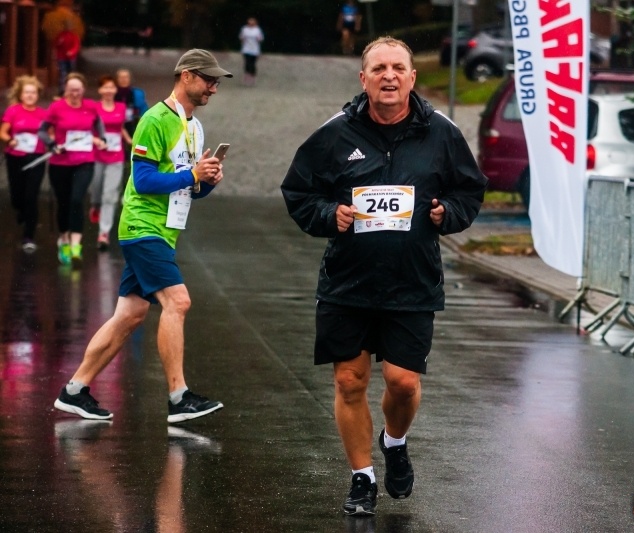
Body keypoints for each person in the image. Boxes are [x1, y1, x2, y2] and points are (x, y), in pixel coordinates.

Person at [281, 36, 487, 516]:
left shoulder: (441, 133)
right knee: (349, 381)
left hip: (412, 282)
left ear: (413, 78)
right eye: (378, 69)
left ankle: (394, 442)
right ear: (363, 79)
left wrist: (447, 213)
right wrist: (328, 215)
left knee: (403, 382)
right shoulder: (335, 134)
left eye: (397, 68)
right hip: (348, 282)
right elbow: (298, 191)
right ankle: (362, 478)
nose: (388, 76)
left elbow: (469, 191)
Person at [53, 49, 232, 424]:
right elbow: (145, 180)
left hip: (164, 231)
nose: (214, 88)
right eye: (209, 80)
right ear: (186, 76)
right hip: (142, 227)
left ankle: (74, 390)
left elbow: (188, 188)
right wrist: (193, 175)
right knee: (178, 302)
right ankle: (178, 397)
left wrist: (207, 181)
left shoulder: (195, 127)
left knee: (130, 315)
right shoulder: (154, 119)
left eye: (216, 82)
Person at [38, 72, 106, 267]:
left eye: (78, 90)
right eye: (71, 90)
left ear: (83, 90)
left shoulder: (91, 107)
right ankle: (64, 239)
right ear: (65, 90)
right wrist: (52, 145)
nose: (75, 94)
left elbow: (99, 124)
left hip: (84, 162)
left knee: (77, 200)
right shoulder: (56, 107)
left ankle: (76, 245)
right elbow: (42, 131)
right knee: (64, 203)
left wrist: (102, 139)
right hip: (60, 163)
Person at [0, 76, 49, 253]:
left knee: (31, 196)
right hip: (15, 157)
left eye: (33, 93)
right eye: (27, 92)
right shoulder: (13, 111)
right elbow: (3, 132)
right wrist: (10, 140)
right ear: (21, 95)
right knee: (17, 197)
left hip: (36, 158)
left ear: (37, 95)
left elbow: (50, 133)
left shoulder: (43, 114)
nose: (30, 95)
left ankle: (29, 236)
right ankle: (21, 211)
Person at [89, 75, 131, 251]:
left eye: (111, 87)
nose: (108, 90)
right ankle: (95, 205)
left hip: (116, 155)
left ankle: (104, 233)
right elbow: (87, 128)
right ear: (99, 90)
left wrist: (129, 140)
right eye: (105, 87)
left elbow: (119, 127)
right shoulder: (94, 108)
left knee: (110, 194)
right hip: (96, 154)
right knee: (97, 189)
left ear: (115, 90)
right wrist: (96, 140)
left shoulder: (121, 107)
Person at [114, 68, 149, 140]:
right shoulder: (112, 93)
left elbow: (144, 111)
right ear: (117, 79)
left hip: (133, 124)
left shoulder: (138, 93)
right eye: (121, 77)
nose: (123, 79)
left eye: (126, 77)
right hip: (116, 124)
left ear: (130, 79)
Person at [54, 20, 81, 95]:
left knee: (71, 74)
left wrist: (72, 52)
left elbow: (76, 46)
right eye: (66, 26)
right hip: (61, 57)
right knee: (63, 73)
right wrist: (59, 42)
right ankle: (62, 89)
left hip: (71, 58)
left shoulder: (74, 35)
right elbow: (55, 45)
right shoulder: (60, 35)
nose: (67, 27)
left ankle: (71, 88)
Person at [238, 17, 264, 86]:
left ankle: (253, 77)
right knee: (247, 63)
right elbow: (241, 37)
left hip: (254, 50)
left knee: (252, 64)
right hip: (246, 49)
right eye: (249, 22)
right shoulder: (245, 29)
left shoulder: (257, 30)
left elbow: (260, 38)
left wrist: (258, 39)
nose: (250, 24)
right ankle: (246, 77)